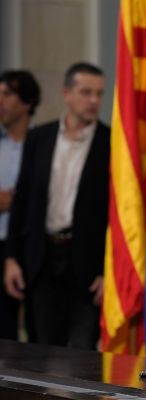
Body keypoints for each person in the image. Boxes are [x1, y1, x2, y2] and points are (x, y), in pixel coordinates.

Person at [3, 62, 109, 350]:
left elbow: (117, 215)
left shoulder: (110, 143)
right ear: (66, 93)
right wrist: (11, 258)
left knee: (82, 351)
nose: (93, 100)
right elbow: (22, 201)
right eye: (85, 92)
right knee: (41, 351)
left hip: (87, 265)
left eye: (99, 93)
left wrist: (108, 271)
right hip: (42, 258)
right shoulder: (40, 137)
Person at [0, 70, 40, 340]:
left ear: (27, 101)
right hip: (1, 239)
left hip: (31, 244)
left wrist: (19, 199)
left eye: (7, 94)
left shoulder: (43, 142)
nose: (0, 101)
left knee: (37, 326)